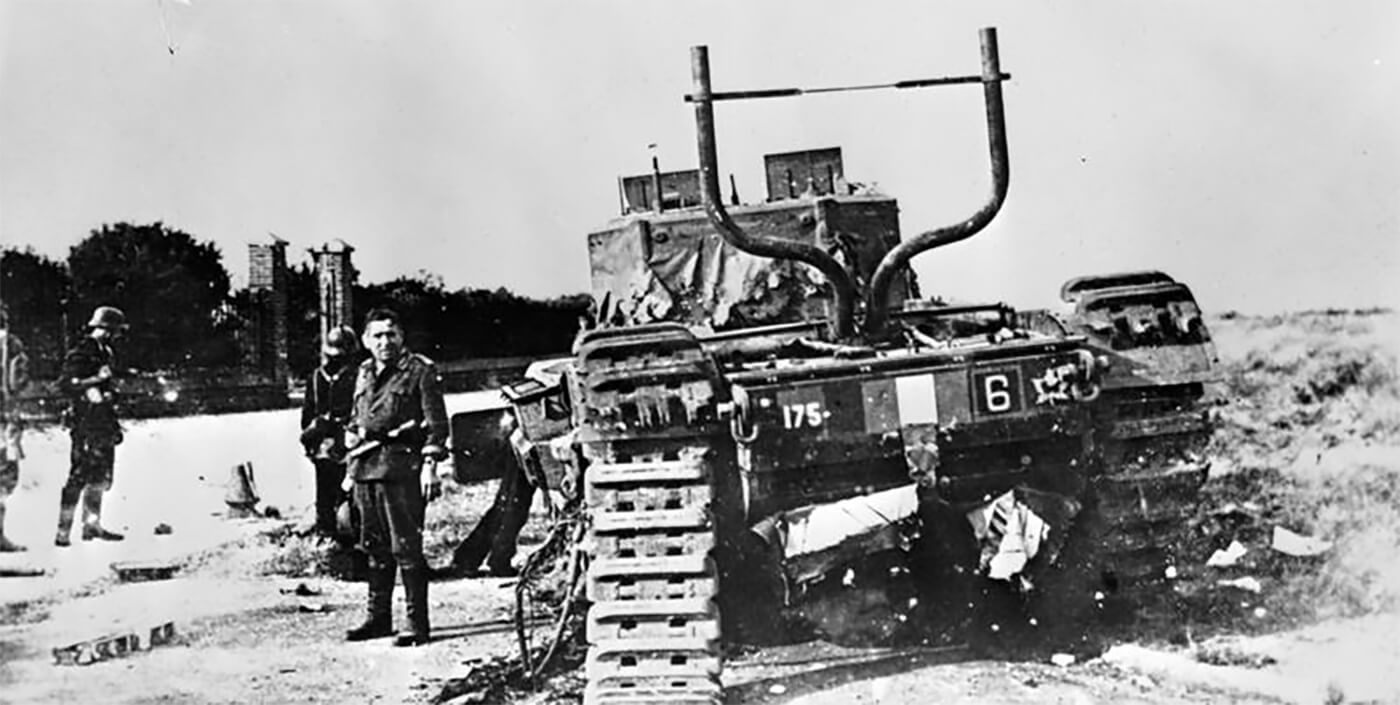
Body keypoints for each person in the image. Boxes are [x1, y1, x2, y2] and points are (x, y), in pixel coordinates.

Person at [343, 307, 449, 647]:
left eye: (391, 334)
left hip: (401, 471)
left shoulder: (420, 371)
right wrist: (349, 435)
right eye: (377, 335)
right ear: (365, 341)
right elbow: (356, 416)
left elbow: (437, 426)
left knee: (406, 548)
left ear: (401, 336)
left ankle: (416, 624)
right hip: (365, 470)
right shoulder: (364, 372)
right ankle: (378, 619)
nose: (385, 342)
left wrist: (431, 465)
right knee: (374, 547)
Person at [55, 305, 128, 546]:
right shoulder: (83, 351)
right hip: (86, 423)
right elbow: (66, 384)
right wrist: (97, 380)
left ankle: (91, 525)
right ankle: (63, 532)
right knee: (78, 476)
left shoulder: (104, 351)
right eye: (115, 331)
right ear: (106, 329)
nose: (117, 336)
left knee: (100, 476)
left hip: (102, 422)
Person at [299, 326, 361, 537]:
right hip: (331, 444)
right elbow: (307, 417)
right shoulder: (354, 376)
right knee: (332, 495)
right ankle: (330, 533)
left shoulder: (319, 376)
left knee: (338, 494)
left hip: (343, 443)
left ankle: (337, 532)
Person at [0, 310, 31, 552]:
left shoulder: (11, 345)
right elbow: (18, 382)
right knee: (4, 477)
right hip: (6, 417)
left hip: (6, 418)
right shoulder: (12, 345)